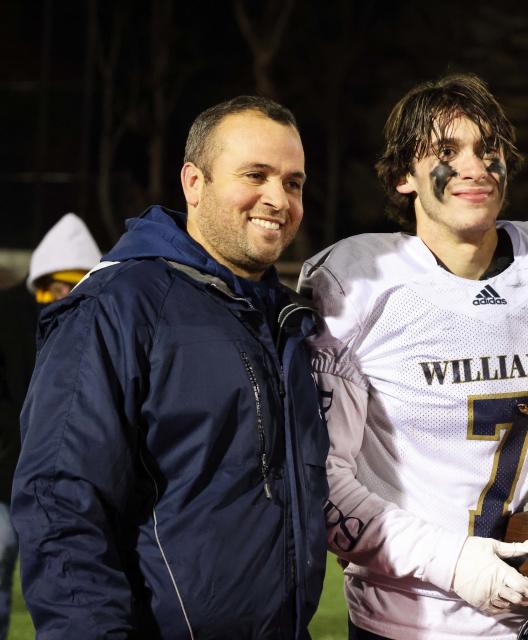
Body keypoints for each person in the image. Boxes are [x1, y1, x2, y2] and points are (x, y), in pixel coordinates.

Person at [298, 73, 528, 640]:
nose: (476, 166)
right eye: (447, 151)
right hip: (412, 623)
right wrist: (452, 561)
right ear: (401, 176)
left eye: (489, 150)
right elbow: (324, 484)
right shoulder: (362, 287)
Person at [12, 96, 329, 638]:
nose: (278, 199)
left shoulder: (284, 320)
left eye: (293, 182)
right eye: (255, 175)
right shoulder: (119, 305)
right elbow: (62, 502)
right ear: (194, 183)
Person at [0, 212, 101, 639]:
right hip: (7, 480)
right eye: (58, 286)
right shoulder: (10, 321)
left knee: (75, 592)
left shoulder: (107, 326)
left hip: (74, 488)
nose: (65, 296)